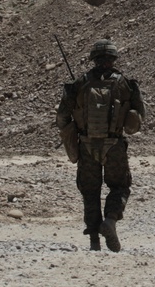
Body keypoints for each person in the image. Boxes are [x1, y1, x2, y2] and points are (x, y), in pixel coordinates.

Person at [55, 39, 145, 252]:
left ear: (93, 59)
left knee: (90, 191)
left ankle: (94, 240)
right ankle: (111, 221)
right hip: (114, 145)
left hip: (86, 146)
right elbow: (139, 116)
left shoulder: (80, 83)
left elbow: (61, 116)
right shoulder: (126, 84)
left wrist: (71, 133)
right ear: (113, 59)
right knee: (120, 186)